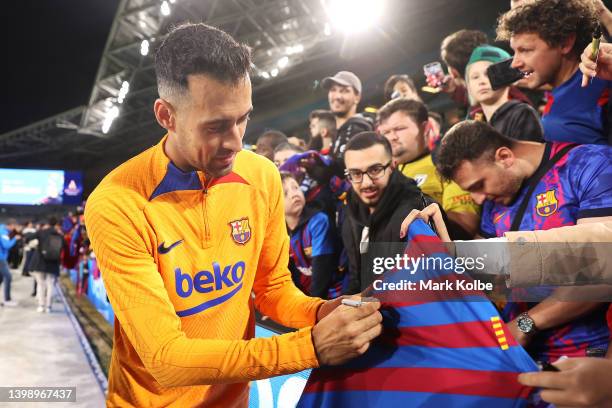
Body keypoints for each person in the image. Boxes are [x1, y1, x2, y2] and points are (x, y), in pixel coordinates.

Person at [84, 23, 382, 407]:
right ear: (166, 115)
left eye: (243, 118)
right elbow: (164, 359)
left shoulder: (261, 175)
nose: (237, 141)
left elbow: (273, 290)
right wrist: (310, 346)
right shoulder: (117, 203)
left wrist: (322, 310)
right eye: (216, 126)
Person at [435, 120, 612, 363]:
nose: (477, 199)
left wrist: (528, 323)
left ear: (505, 156)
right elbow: (494, 277)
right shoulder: (493, 204)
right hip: (520, 357)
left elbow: (603, 271)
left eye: (479, 185)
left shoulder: (588, 165)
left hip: (585, 355)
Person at [497, 0, 610, 145]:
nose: (514, 63)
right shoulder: (560, 90)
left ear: (565, 43)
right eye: (515, 51)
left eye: (525, 50)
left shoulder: (602, 84)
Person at [341, 131, 432, 294]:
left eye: (375, 170)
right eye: (355, 173)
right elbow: (356, 277)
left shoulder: (418, 211)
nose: (366, 183)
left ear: (392, 166)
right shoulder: (352, 211)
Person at [377, 98, 480, 238]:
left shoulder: (446, 163)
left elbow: (466, 225)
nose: (392, 137)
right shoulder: (381, 174)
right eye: (386, 132)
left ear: (425, 128)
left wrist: (415, 210)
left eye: (399, 129)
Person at [282, 173, 342, 299]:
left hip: (333, 293)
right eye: (285, 193)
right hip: (306, 295)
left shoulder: (318, 221)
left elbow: (322, 270)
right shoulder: (279, 231)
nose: (294, 194)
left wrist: (311, 308)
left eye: (296, 187)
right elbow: (287, 274)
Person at [465, 45, 544, 142]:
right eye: (475, 77)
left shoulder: (521, 113)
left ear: (506, 76)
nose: (481, 81)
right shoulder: (473, 121)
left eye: (488, 74)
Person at [321, 71, 373, 161]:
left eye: (344, 91)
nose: (337, 96)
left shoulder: (358, 129)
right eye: (333, 90)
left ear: (357, 97)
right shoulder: (338, 133)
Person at [29, 217, 63, 313]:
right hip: (53, 263)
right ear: (56, 224)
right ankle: (49, 306)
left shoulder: (41, 232)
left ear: (47, 223)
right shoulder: (59, 235)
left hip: (40, 261)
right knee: (50, 284)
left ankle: (41, 305)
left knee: (40, 284)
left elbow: (29, 238)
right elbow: (63, 247)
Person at [0, 222, 19, 307]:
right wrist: (15, 238)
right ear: (10, 225)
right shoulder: (3, 231)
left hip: (2, 256)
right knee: (8, 277)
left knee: (0, 278)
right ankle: (7, 299)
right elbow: (6, 245)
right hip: (0, 258)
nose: (14, 229)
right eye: (14, 227)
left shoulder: (4, 231)